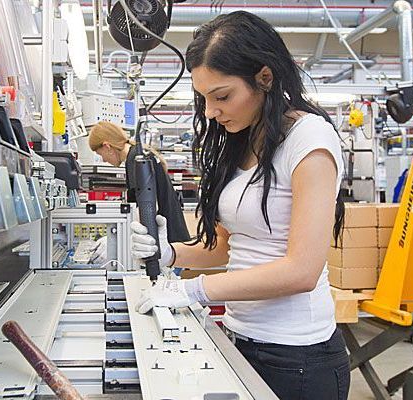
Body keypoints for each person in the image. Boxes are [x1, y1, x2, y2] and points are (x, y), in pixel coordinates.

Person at [130, 11, 350, 400]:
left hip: (298, 360)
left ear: (264, 78)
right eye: (204, 99)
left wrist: (195, 291)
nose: (211, 111)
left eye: (222, 96)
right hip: (242, 340)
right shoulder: (244, 142)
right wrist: (169, 253)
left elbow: (302, 271)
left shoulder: (309, 141)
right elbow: (227, 244)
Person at [87, 121, 191, 265]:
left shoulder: (136, 160)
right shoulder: (137, 155)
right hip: (170, 242)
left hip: (167, 245)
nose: (104, 160)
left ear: (107, 146)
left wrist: (114, 240)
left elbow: (145, 208)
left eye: (101, 155)